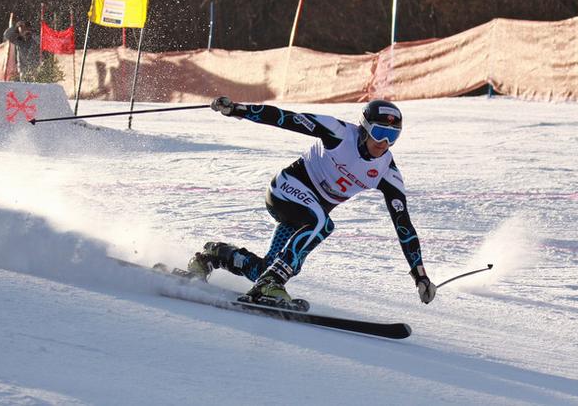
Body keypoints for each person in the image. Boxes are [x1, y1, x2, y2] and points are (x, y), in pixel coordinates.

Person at [187, 98, 437, 305]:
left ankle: (214, 256)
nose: (384, 143)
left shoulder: (387, 171)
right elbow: (287, 118)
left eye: (393, 136)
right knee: (322, 224)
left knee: (271, 266)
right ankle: (271, 283)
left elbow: (404, 225)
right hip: (285, 192)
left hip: (304, 216)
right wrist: (240, 110)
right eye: (380, 133)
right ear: (364, 127)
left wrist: (420, 275)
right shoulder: (339, 133)